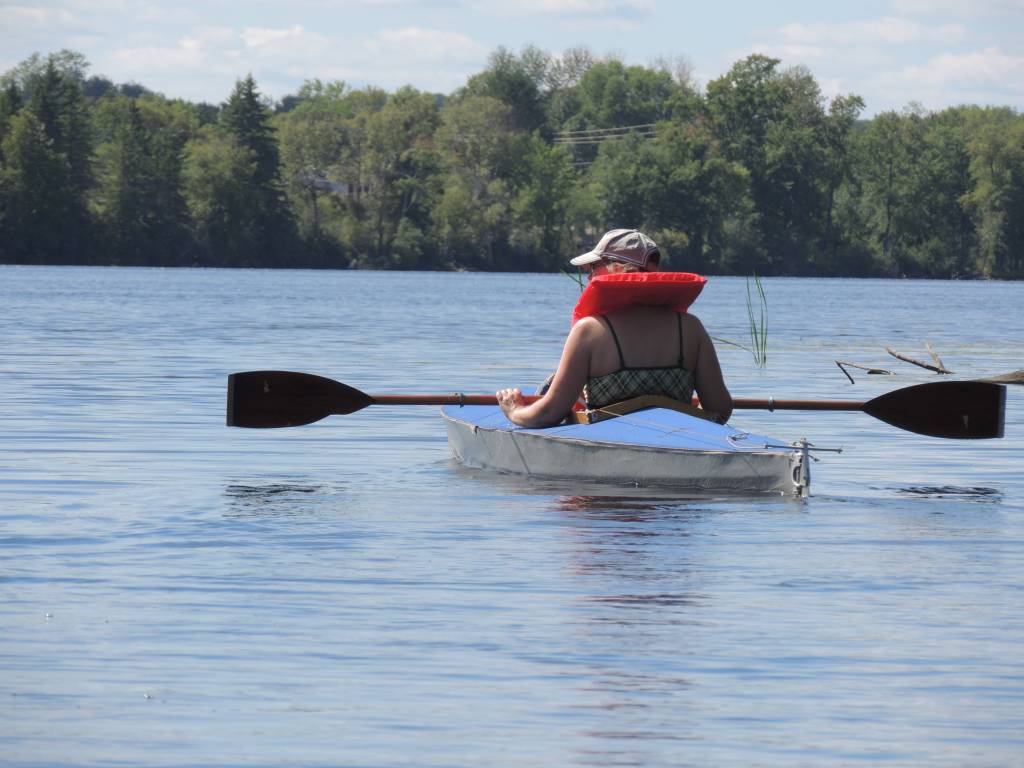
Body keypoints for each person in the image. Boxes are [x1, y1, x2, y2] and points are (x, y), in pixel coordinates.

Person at [496, 228, 732, 428]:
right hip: (676, 439)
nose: (589, 276)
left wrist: (514, 410)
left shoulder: (589, 331)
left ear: (618, 269)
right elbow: (720, 410)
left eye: (594, 267)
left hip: (611, 447)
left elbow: (549, 414)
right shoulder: (691, 328)